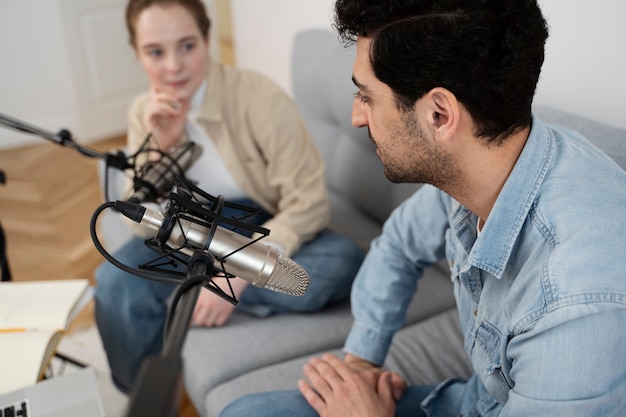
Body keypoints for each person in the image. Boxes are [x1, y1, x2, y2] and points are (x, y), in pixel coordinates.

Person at [219, 1, 626, 416]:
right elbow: (397, 245)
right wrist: (360, 363)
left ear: (439, 114)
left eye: (366, 95)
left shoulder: (576, 304)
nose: (356, 116)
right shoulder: (482, 165)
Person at [94, 0, 365, 395]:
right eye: (155, 52)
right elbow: (134, 220)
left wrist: (237, 273)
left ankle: (193, 285)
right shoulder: (143, 112)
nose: (173, 66)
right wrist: (163, 148)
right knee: (114, 283)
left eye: (187, 46)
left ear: (207, 40)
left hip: (258, 223)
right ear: (137, 53)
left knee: (341, 263)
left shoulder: (260, 99)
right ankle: (145, 398)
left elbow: (308, 202)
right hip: (188, 230)